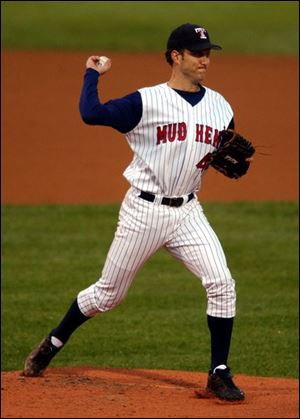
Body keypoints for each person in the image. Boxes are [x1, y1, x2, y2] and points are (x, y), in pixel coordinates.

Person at [23, 23, 246, 402]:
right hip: (143, 212)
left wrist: (236, 162)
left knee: (222, 283)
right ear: (176, 56)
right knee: (107, 296)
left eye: (208, 52)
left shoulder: (221, 107)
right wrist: (92, 73)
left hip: (189, 213)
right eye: (196, 52)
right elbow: (90, 114)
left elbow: (229, 153)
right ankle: (53, 342)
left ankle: (219, 372)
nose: (205, 59)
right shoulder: (147, 101)